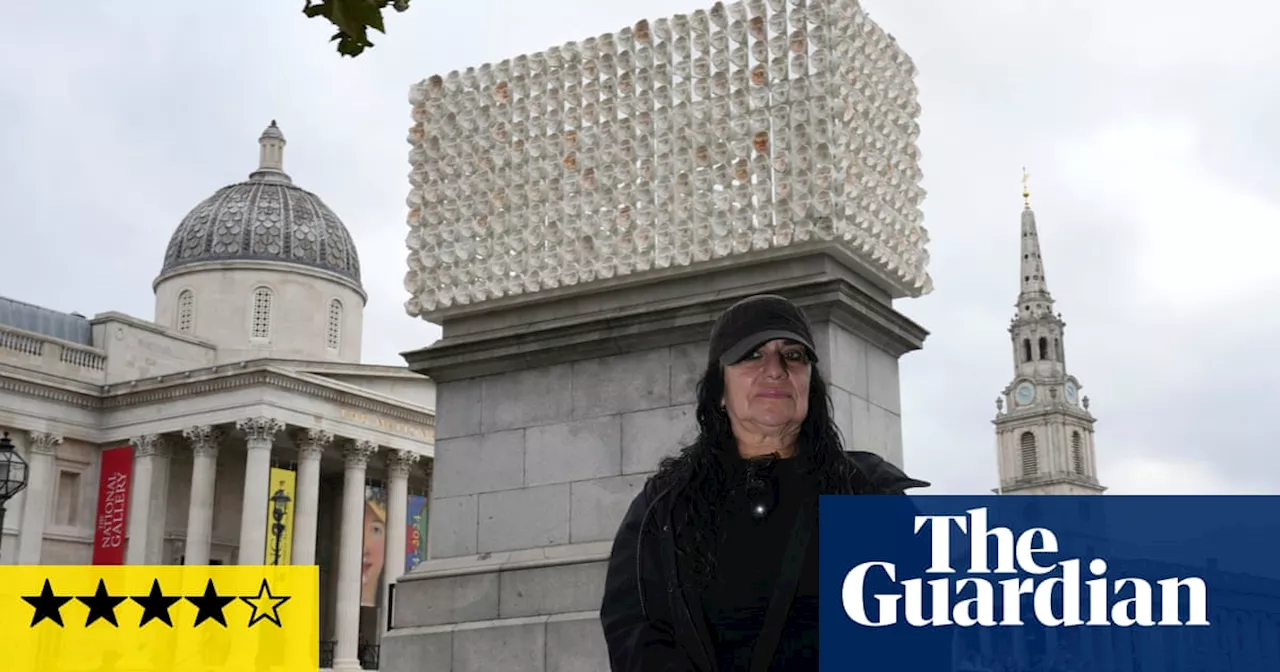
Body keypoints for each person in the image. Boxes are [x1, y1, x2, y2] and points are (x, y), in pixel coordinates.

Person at [599, 294, 933, 672]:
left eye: (794, 356)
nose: (775, 370)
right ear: (720, 390)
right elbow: (634, 628)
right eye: (752, 356)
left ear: (810, 384)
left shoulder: (868, 493)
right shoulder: (665, 506)